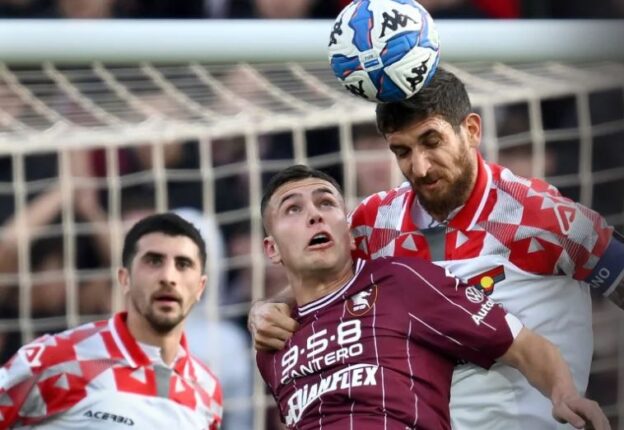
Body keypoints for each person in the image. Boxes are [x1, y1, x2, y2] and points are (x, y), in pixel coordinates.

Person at [249, 68, 624, 429]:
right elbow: (315, 270)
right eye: (402, 151)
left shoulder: (542, 217)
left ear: (471, 130)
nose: (420, 167)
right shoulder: (375, 223)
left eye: (432, 142)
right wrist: (266, 309)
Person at [255, 165, 609, 429]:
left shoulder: (400, 281)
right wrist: (260, 307)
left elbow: (522, 344)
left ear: (350, 234)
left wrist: (565, 395)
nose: (314, 215)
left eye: (326, 203)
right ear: (272, 249)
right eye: (293, 209)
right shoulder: (271, 342)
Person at [0, 213, 223, 429]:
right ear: (125, 279)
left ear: (200, 287)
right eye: (154, 261)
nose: (168, 277)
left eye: (183, 264)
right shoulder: (56, 359)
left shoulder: (207, 389)